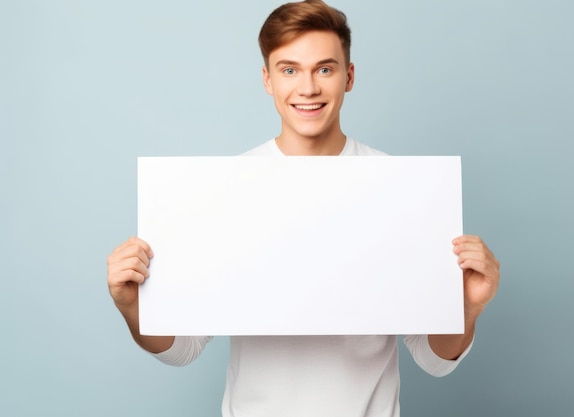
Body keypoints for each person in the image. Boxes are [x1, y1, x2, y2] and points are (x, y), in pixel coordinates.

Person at [106, 1, 501, 416]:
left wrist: (467, 309)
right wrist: (134, 310)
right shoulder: (228, 189)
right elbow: (184, 348)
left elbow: (432, 359)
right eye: (289, 69)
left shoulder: (399, 186)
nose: (308, 88)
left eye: (324, 69)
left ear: (348, 77)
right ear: (267, 79)